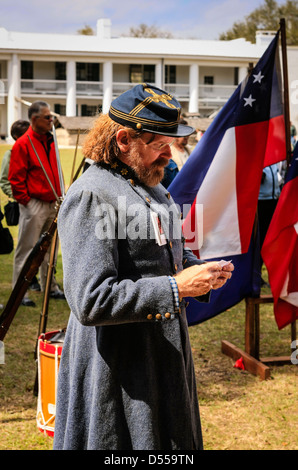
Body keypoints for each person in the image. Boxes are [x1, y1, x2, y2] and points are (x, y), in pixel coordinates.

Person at [53, 84, 234, 450]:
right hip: (118, 368)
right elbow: (90, 301)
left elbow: (158, 259)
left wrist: (197, 271)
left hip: (162, 359)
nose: (169, 154)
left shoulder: (153, 186)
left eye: (172, 143)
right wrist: (176, 288)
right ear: (123, 140)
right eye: (159, 144)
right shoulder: (92, 194)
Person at [8, 101, 65, 307]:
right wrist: (27, 202)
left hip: (54, 202)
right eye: (48, 117)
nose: (52, 120)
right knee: (27, 249)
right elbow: (15, 177)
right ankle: (19, 293)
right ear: (35, 120)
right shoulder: (23, 143)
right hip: (34, 204)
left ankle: (50, 286)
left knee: (50, 250)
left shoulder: (51, 140)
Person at [0, 120, 40, 292]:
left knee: (41, 245)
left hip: (43, 206)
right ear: (17, 136)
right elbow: (4, 181)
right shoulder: (11, 154)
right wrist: (23, 199)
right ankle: (26, 282)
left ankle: (37, 278)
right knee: (26, 246)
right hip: (27, 207)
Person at [258, 163, 281, 286]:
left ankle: (275, 276)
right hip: (260, 203)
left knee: (272, 241)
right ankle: (257, 275)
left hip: (274, 201)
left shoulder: (275, 162)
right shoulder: (260, 160)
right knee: (260, 241)